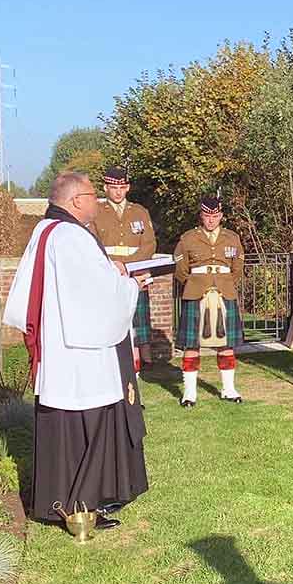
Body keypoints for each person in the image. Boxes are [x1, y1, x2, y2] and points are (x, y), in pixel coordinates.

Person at [3, 171, 148, 528]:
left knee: (64, 432)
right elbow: (97, 295)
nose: (97, 201)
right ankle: (83, 504)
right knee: (92, 426)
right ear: (75, 201)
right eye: (92, 194)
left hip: (62, 346)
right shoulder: (71, 237)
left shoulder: (45, 231)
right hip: (83, 352)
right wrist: (130, 284)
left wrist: (111, 271)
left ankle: (58, 503)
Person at [173, 196, 246, 407]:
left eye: (215, 216)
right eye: (207, 216)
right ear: (201, 216)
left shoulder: (232, 238)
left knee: (226, 344)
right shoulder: (188, 238)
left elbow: (237, 269)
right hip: (196, 293)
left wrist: (222, 283)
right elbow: (181, 269)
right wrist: (196, 283)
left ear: (221, 216)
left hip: (224, 293)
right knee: (192, 344)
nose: (211, 220)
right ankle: (189, 393)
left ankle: (229, 389)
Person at [89, 166, 157, 372]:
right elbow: (92, 244)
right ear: (105, 188)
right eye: (113, 187)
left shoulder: (139, 212)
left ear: (128, 187)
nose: (118, 192)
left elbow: (149, 244)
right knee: (111, 325)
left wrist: (128, 265)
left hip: (136, 276)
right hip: (109, 278)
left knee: (137, 325)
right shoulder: (96, 211)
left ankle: (136, 373)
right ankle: (111, 366)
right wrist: (113, 265)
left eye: (122, 187)